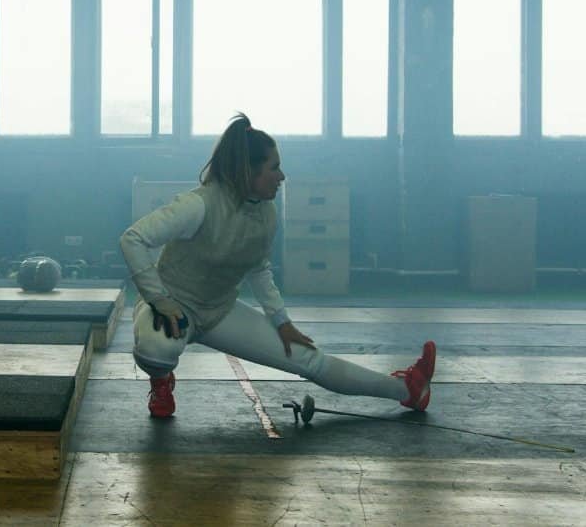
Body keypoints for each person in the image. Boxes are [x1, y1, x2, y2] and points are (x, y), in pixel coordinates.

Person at [120, 113, 435, 418]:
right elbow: (133, 238)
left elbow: (258, 268)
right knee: (155, 351)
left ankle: (407, 389)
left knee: (311, 361)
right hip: (174, 306)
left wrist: (282, 322)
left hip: (219, 311)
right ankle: (160, 382)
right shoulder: (199, 205)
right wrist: (158, 298)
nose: (282, 176)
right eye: (275, 168)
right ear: (249, 172)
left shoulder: (266, 214)